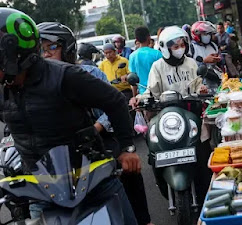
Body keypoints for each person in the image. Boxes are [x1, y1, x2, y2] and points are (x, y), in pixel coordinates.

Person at [1, 10, 139, 224]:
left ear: (14, 52)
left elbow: (116, 101)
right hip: (42, 191)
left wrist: (128, 149)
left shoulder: (65, 75)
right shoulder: (3, 89)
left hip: (94, 182)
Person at [39, 23, 154, 225]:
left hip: (98, 142)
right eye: (40, 49)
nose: (46, 54)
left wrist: (97, 128)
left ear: (67, 49)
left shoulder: (90, 74)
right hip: (56, 156)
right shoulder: (31, 85)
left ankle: (143, 220)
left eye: (51, 47)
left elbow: (114, 105)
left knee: (129, 168)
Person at [145, 26, 206, 99]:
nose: (180, 49)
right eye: (176, 47)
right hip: (169, 108)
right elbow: (151, 91)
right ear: (166, 49)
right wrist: (140, 98)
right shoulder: (158, 67)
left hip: (191, 106)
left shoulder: (191, 63)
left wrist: (201, 90)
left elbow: (198, 84)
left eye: (182, 45)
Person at [128, 26, 162, 106]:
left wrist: (135, 97)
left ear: (136, 39)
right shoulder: (157, 54)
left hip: (143, 97)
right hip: (159, 94)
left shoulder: (133, 56)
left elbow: (133, 80)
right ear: (149, 37)